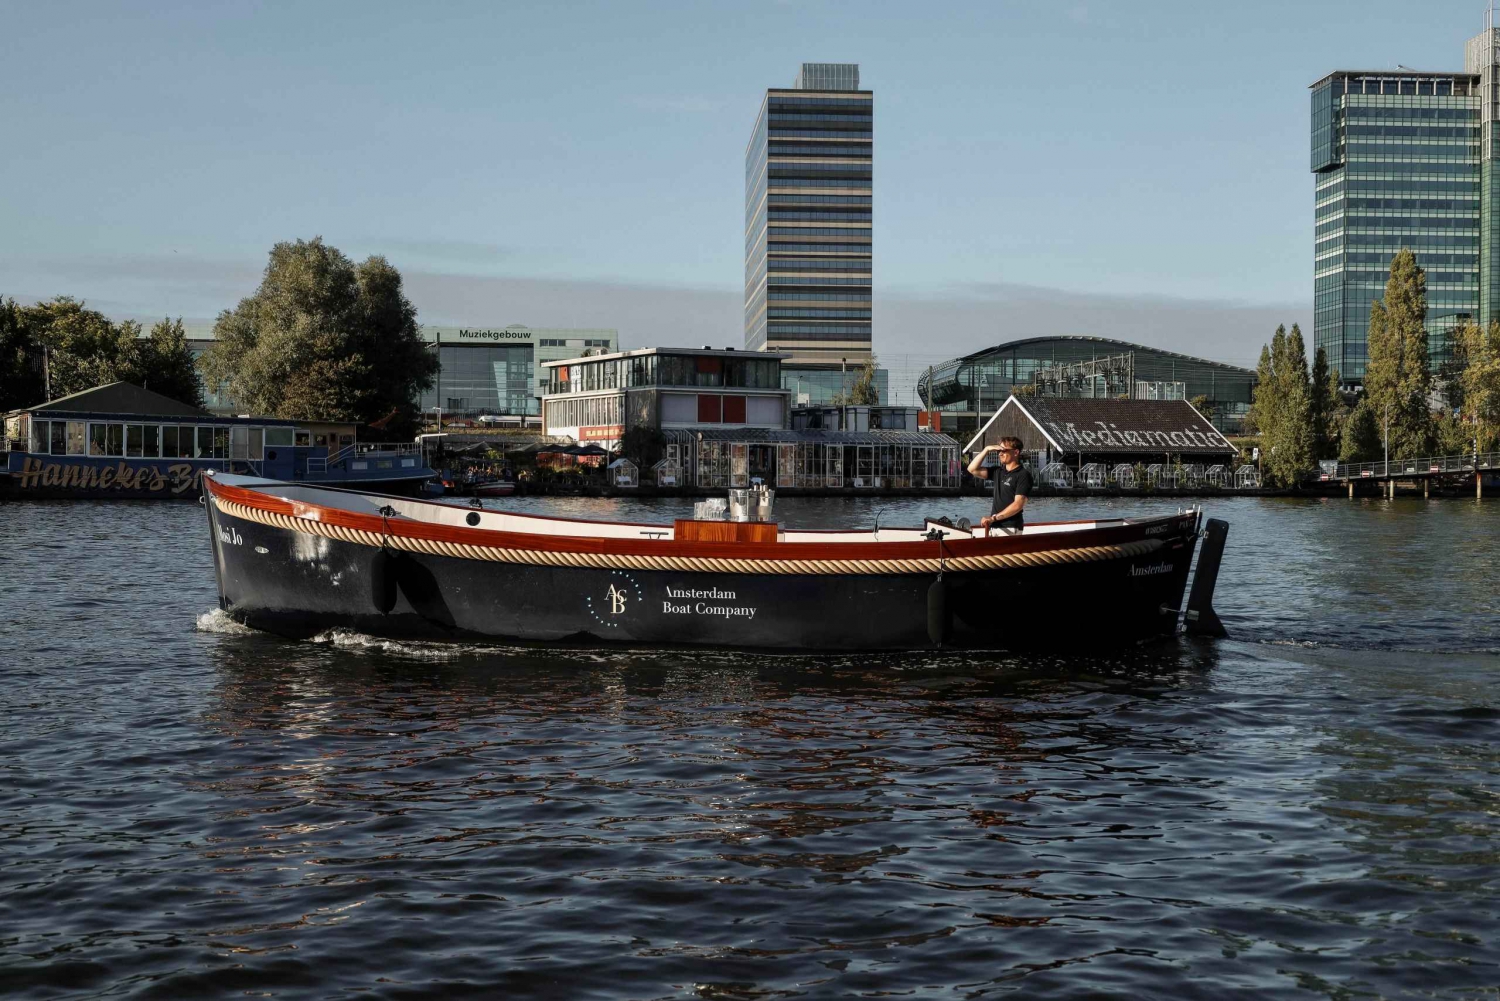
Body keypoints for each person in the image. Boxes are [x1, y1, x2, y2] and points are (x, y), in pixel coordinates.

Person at [966, 435, 1030, 534]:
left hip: (1010, 527)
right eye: (998, 451)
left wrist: (994, 518)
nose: (1000, 454)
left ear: (1016, 452)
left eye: (1003, 450)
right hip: (994, 526)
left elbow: (1018, 504)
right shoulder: (998, 472)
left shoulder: (1023, 475)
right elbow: (972, 469)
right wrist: (986, 449)